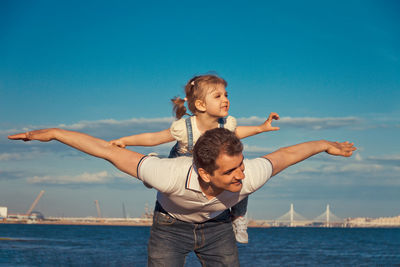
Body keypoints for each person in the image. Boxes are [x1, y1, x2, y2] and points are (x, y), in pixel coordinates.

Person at [8, 127, 356, 266]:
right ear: (204, 172)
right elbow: (107, 151)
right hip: (168, 229)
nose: (241, 176)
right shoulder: (168, 174)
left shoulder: (248, 176)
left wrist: (326, 145)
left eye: (241, 167)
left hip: (219, 230)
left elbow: (287, 154)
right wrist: (52, 134)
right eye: (231, 172)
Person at [109, 74, 280, 243]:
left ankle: (238, 216)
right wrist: (125, 141)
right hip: (184, 164)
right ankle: (155, 161)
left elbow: (238, 133)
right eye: (218, 96)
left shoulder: (226, 124)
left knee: (239, 177)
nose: (225, 99)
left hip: (208, 170)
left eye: (226, 95)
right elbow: (154, 138)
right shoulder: (185, 127)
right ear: (200, 104)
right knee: (167, 178)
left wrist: (261, 128)